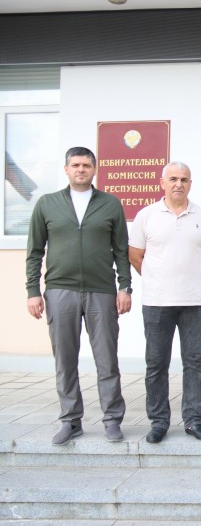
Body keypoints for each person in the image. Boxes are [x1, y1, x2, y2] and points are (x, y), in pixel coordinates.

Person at [26, 146, 131, 445]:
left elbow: (121, 250)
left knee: (107, 359)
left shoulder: (110, 204)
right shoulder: (47, 204)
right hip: (60, 290)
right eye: (75, 165)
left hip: (101, 291)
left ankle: (112, 419)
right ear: (66, 169)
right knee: (65, 360)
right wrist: (33, 291)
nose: (81, 169)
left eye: (86, 165)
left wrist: (125, 287)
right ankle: (71, 421)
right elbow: (34, 251)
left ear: (95, 169)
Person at [128, 161, 201, 443]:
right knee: (156, 363)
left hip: (195, 301)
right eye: (173, 179)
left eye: (184, 179)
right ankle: (159, 422)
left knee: (195, 363)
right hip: (157, 302)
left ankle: (193, 420)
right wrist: (158, 278)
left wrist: (189, 276)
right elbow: (135, 256)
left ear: (190, 184)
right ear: (162, 183)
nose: (178, 184)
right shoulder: (146, 215)